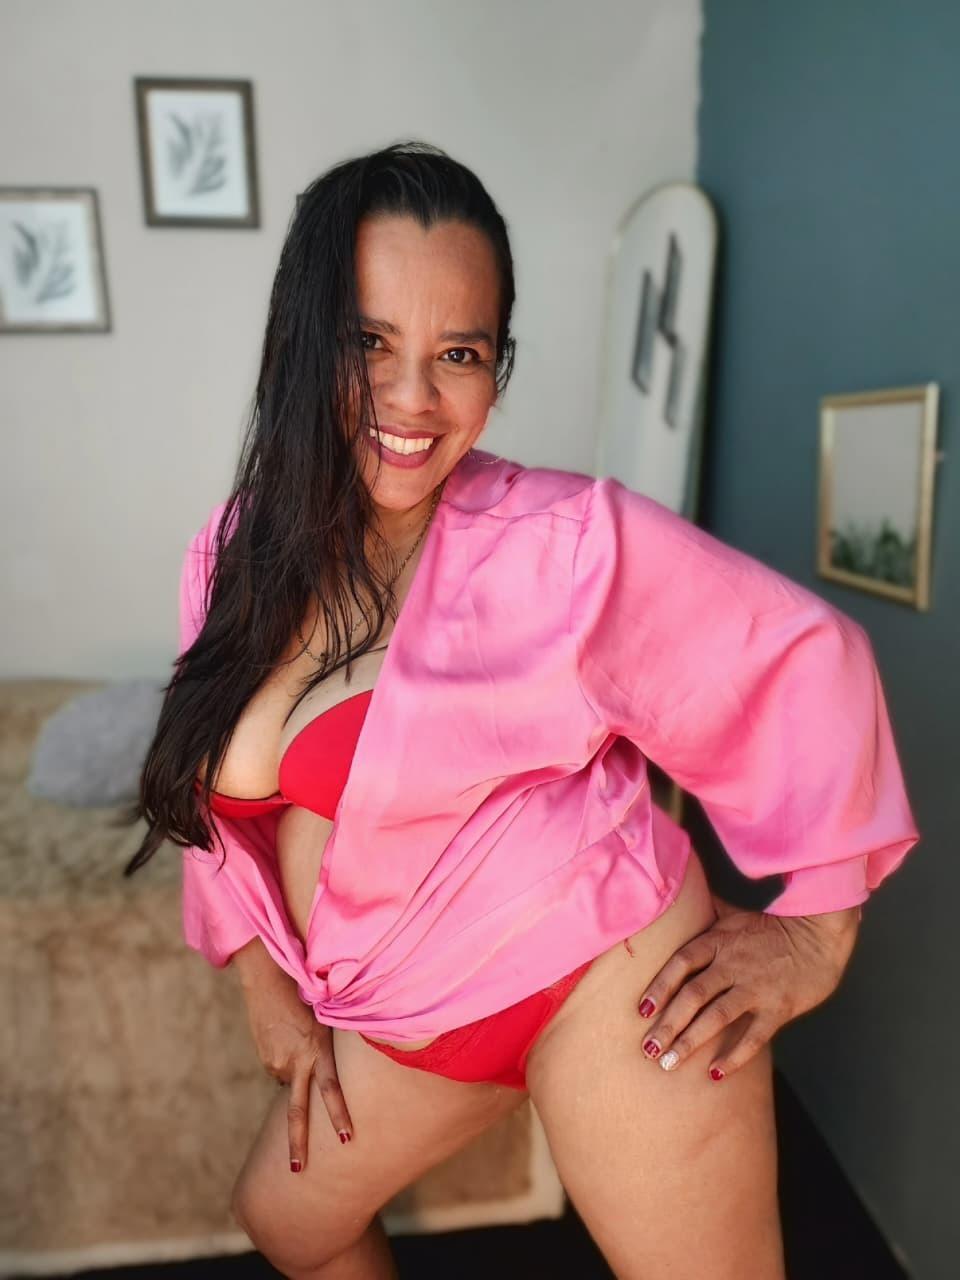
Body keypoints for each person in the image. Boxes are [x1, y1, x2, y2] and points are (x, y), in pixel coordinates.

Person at [126, 140, 920, 1280]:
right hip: (403, 1002)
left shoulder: (563, 543)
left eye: (459, 353)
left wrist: (817, 932)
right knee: (290, 1222)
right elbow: (214, 810)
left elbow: (805, 657)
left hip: (606, 972)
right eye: (370, 342)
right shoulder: (230, 555)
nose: (413, 398)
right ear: (304, 338)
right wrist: (266, 982)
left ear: (497, 368)